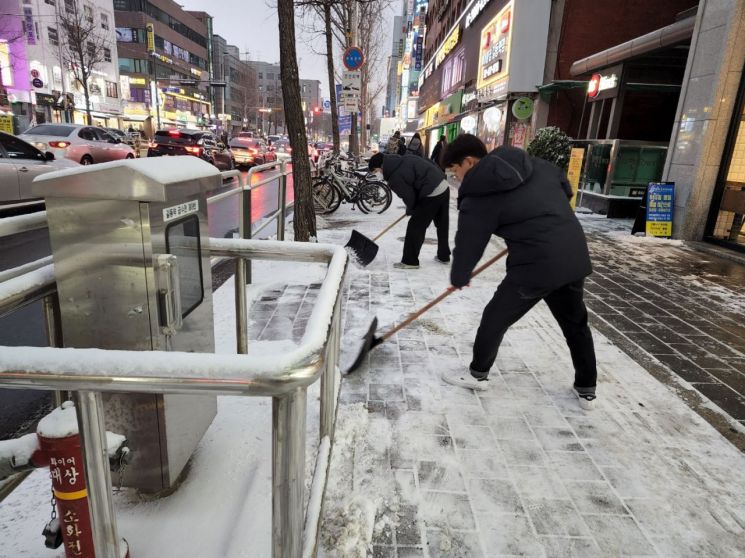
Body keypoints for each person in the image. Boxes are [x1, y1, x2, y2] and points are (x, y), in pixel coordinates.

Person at [441, 134, 597, 410]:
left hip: (535, 263)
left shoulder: (478, 190)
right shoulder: (536, 164)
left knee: (495, 318)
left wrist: (460, 276)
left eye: (455, 170)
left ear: (468, 161)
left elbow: (469, 240)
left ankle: (478, 374)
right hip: (572, 252)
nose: (457, 177)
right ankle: (586, 389)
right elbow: (566, 189)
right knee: (575, 324)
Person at [368, 152, 451, 268]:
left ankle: (410, 261)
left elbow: (409, 196)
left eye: (376, 171)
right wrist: (412, 208)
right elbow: (427, 163)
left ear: (381, 166)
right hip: (443, 185)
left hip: (431, 191)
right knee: (442, 223)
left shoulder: (394, 177)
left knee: (415, 226)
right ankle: (444, 255)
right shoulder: (403, 158)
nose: (377, 174)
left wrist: (412, 209)